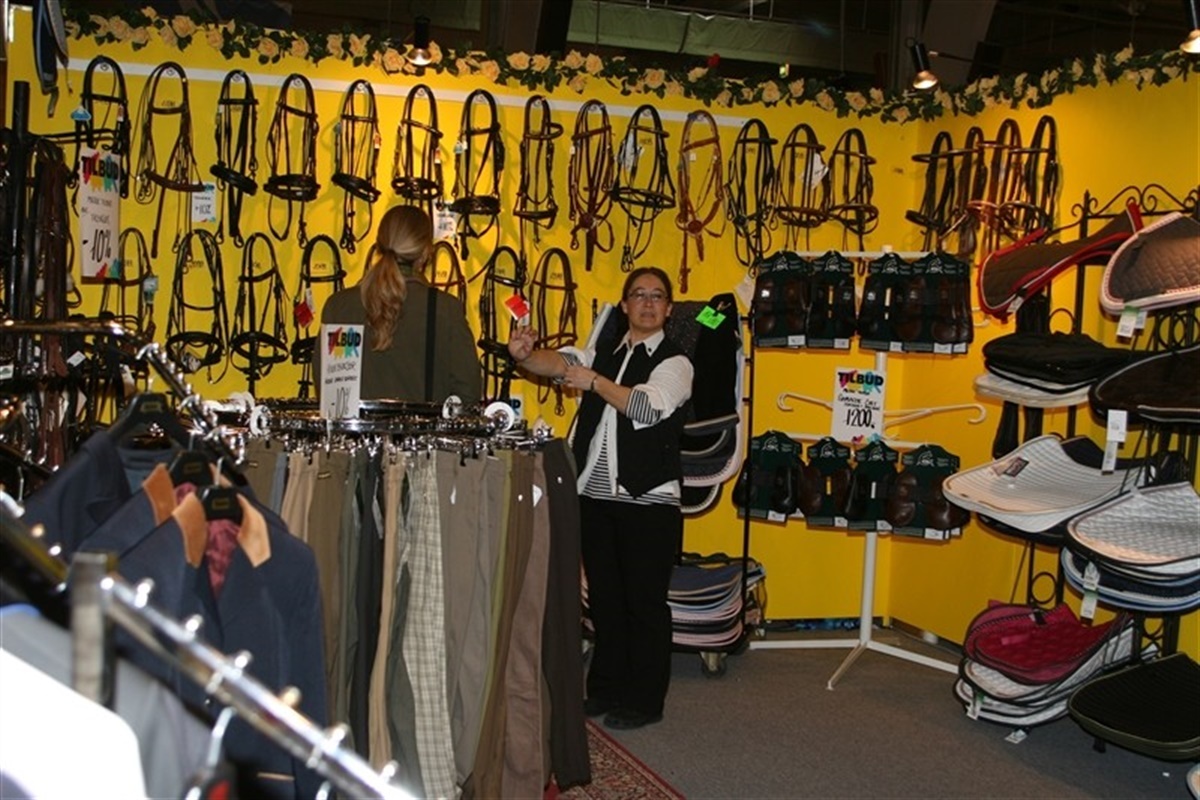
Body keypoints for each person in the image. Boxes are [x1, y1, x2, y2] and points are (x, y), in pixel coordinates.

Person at [508, 266, 693, 731]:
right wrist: (525, 355)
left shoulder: (676, 363)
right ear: (624, 305)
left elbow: (645, 407)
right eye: (638, 294)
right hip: (594, 496)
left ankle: (646, 699)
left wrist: (594, 381)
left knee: (644, 604)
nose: (647, 302)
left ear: (668, 309)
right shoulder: (604, 352)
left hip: (649, 500)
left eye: (657, 296)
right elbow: (558, 364)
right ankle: (607, 687)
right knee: (606, 600)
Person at [319, 205, 481, 405]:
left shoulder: (338, 306)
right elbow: (468, 393)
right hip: (426, 425)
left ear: (379, 245)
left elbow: (329, 394)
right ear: (426, 252)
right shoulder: (445, 309)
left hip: (352, 426)